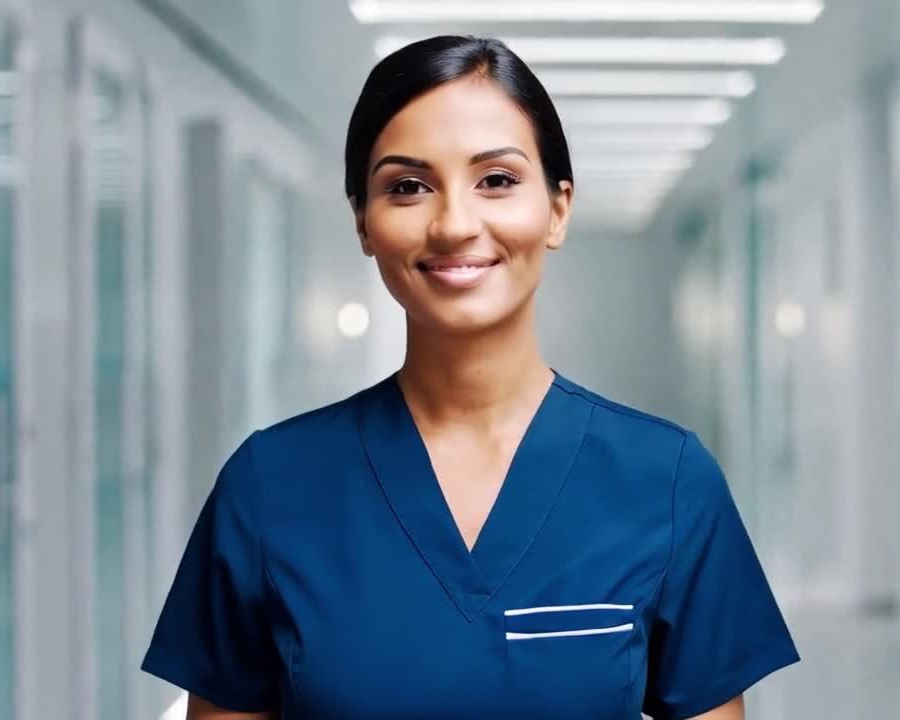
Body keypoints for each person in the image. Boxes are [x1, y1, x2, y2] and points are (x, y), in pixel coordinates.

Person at [142, 35, 799, 719]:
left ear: (558, 208)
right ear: (364, 222)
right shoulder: (268, 488)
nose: (455, 223)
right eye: (407, 187)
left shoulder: (667, 482)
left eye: (498, 180)